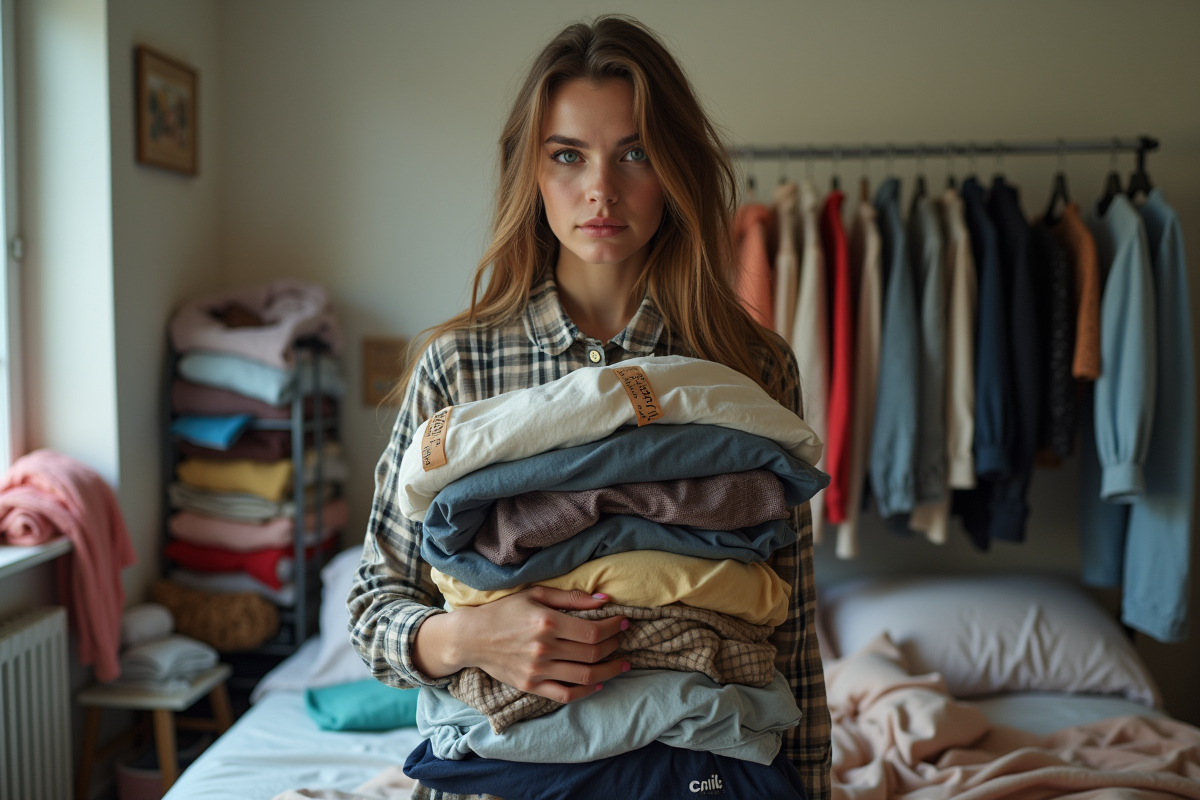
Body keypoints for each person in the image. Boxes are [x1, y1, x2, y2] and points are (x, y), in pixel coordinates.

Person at [347, 15, 831, 800]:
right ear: (530, 174)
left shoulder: (749, 368)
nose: (601, 189)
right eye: (567, 155)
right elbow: (375, 607)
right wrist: (470, 635)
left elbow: (794, 630)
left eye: (634, 153)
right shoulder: (458, 367)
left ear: (674, 169)